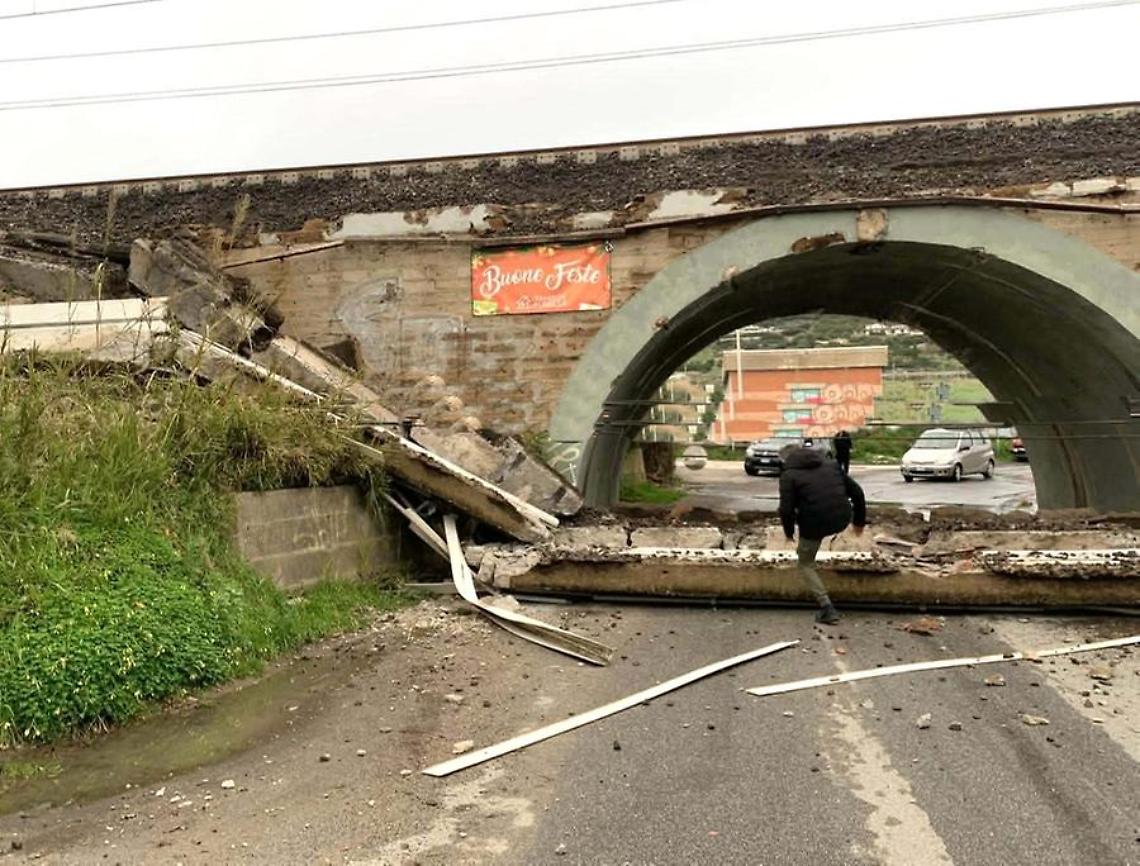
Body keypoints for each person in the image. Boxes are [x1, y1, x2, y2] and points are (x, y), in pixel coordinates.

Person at [778, 443, 866, 625]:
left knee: (805, 563)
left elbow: (786, 510)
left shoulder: (789, 475)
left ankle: (827, 608)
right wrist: (859, 523)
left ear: (786, 460)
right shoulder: (832, 465)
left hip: (814, 524)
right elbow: (857, 493)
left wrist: (788, 534)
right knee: (819, 524)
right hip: (842, 518)